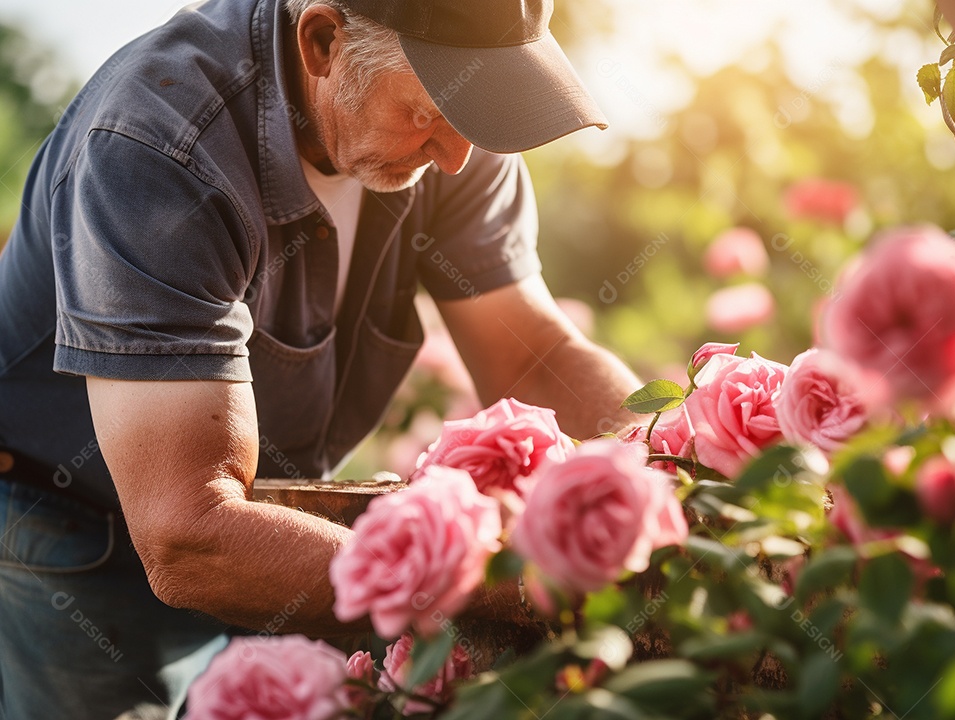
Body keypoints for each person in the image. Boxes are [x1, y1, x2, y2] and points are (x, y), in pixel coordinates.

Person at [0, 0, 642, 717]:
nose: (460, 155)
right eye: (432, 110)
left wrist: (660, 473)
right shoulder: (155, 145)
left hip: (277, 516)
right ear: (323, 40)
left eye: (482, 109)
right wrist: (518, 580)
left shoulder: (455, 137)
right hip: (76, 520)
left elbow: (535, 354)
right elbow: (190, 534)